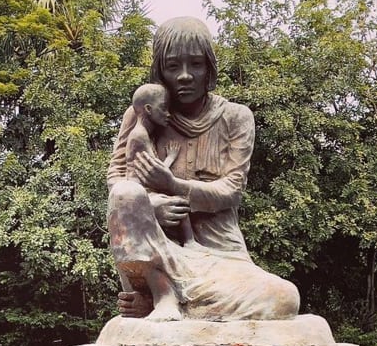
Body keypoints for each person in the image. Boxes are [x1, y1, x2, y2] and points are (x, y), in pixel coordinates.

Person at [106, 16, 300, 322]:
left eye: (195, 64)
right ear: (160, 71)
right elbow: (118, 180)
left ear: (209, 67)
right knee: (126, 194)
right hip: (160, 251)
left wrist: (171, 184)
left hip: (220, 256)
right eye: (173, 66)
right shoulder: (142, 112)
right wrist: (150, 207)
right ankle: (162, 296)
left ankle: (170, 306)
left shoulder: (236, 117)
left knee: (284, 298)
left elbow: (230, 191)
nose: (185, 76)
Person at [124, 83, 195, 247]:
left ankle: (186, 242)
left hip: (147, 191)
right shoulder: (139, 135)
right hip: (142, 195)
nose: (168, 114)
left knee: (176, 204)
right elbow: (156, 170)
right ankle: (190, 242)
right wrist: (171, 157)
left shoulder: (146, 135)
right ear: (148, 109)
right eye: (163, 108)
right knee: (180, 203)